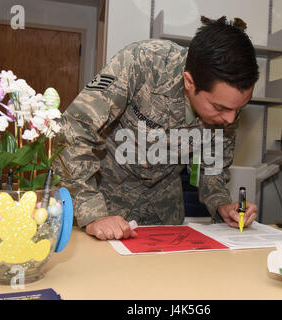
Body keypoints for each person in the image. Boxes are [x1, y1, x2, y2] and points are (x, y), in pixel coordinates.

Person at [53, 16, 260, 240]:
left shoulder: (228, 106)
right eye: (220, 107)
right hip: (105, 209)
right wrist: (93, 213)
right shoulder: (141, 63)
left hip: (165, 215)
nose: (230, 119)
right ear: (189, 83)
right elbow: (73, 131)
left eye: (239, 109)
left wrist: (222, 204)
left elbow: (212, 167)